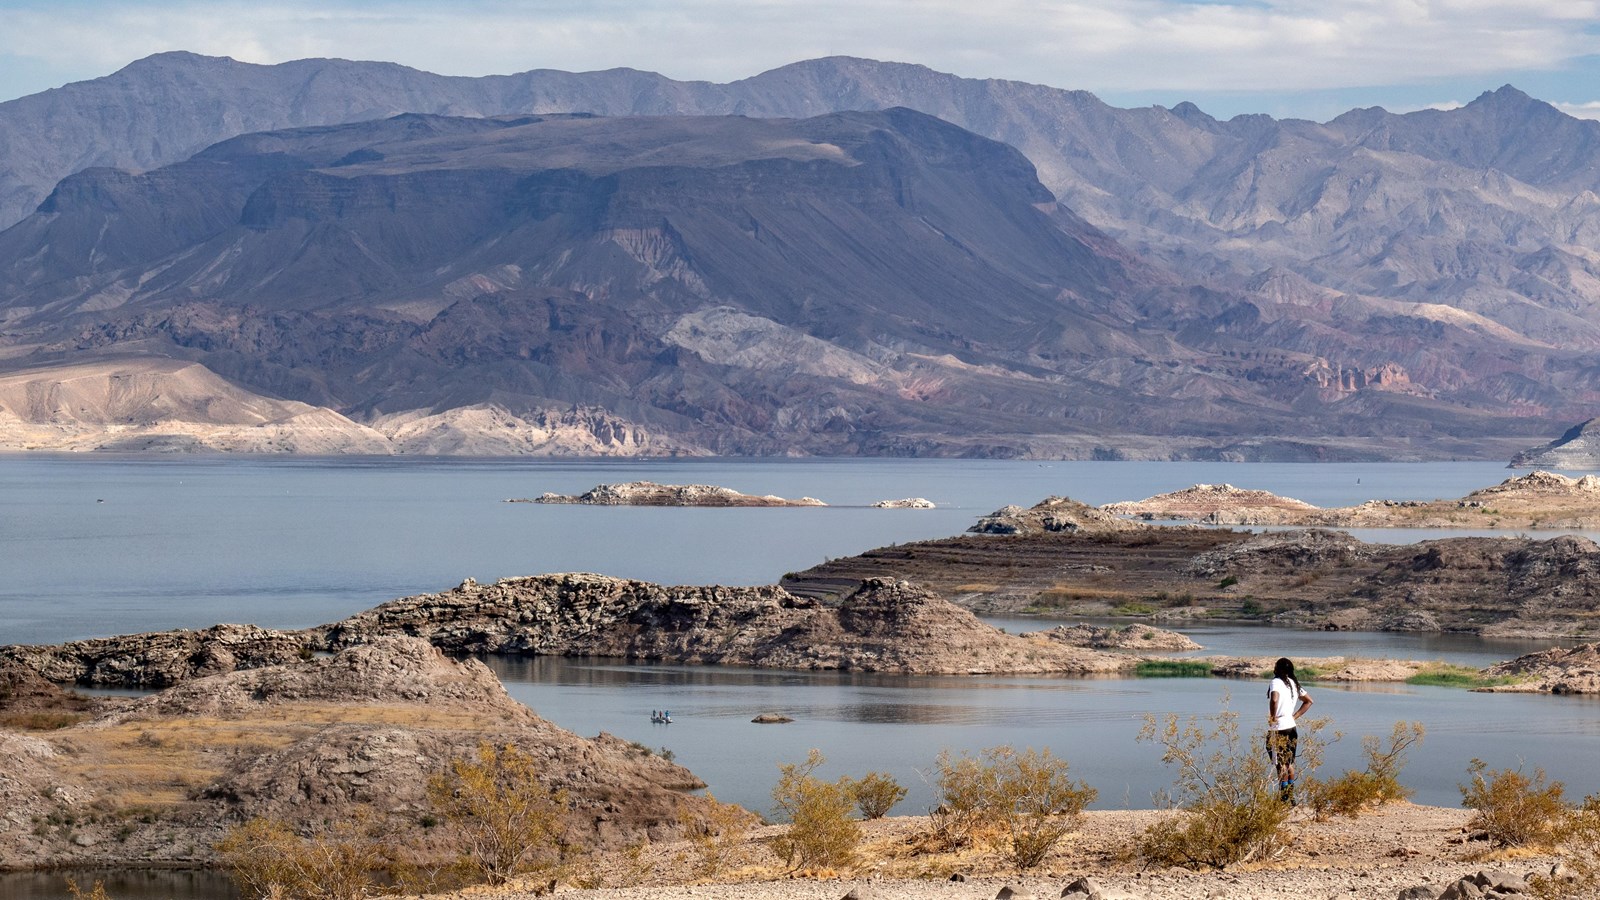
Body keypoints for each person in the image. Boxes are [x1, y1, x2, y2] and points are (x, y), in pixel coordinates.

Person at [1267, 657, 1313, 804]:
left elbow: (1274, 699)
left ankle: (1283, 796)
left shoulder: (1276, 682)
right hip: (1291, 726)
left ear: (1278, 669)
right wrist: (1294, 716)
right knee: (1290, 763)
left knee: (1280, 764)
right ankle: (1291, 796)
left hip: (1279, 727)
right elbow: (1309, 701)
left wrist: (1273, 718)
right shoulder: (1294, 683)